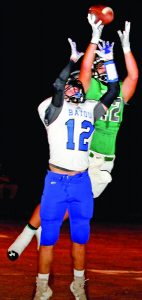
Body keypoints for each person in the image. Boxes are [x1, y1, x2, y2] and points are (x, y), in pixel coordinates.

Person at [7, 19, 138, 267]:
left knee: (73, 203)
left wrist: (126, 48)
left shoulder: (119, 90)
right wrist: (94, 39)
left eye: (104, 65)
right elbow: (86, 69)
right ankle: (27, 234)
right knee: (58, 197)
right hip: (84, 153)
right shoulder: (90, 91)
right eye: (98, 65)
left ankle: (36, 230)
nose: (99, 68)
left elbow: (133, 75)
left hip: (104, 161)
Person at [29, 16, 119, 300]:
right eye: (69, 86)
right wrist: (71, 60)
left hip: (81, 182)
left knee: (81, 237)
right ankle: (42, 284)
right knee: (49, 239)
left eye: (76, 86)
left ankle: (78, 282)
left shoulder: (91, 108)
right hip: (56, 180)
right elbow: (58, 86)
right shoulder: (52, 110)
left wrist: (108, 58)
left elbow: (114, 90)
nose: (73, 88)